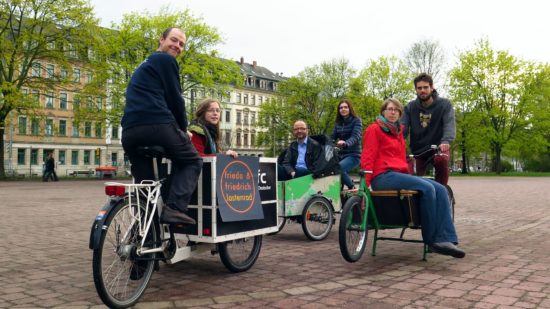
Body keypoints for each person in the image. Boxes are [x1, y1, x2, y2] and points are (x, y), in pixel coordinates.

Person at [361, 98, 465, 258]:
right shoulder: (374, 129)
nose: (393, 112)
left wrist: (408, 172)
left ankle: (446, 238)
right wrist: (365, 184)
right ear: (383, 111)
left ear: (400, 114)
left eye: (396, 110)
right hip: (382, 176)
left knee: (440, 188)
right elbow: (368, 156)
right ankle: (432, 240)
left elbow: (401, 159)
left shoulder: (398, 132)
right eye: (389, 109)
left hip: (397, 175)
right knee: (428, 188)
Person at [121, 27, 202, 225]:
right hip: (156, 125)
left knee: (145, 190)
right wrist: (183, 130)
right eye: (174, 40)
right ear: (161, 39)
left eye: (181, 44)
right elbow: (175, 99)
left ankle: (145, 242)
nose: (177, 46)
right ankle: (174, 208)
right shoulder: (165, 60)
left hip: (130, 132)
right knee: (192, 161)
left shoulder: (144, 65)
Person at [401, 73, 455, 185]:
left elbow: (449, 125)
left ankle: (442, 190)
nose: (423, 90)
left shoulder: (444, 105)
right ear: (416, 89)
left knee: (442, 160)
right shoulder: (410, 107)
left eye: (425, 87)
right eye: (419, 88)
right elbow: (403, 128)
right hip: (418, 150)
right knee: (409, 174)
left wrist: (446, 141)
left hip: (438, 148)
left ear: (432, 87)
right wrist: (395, 140)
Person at [331, 99, 362, 190]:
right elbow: (332, 137)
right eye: (341, 108)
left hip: (353, 155)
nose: (343, 109)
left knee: (339, 168)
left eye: (345, 107)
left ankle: (352, 187)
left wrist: (346, 143)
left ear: (350, 109)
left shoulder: (356, 121)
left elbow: (355, 137)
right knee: (330, 169)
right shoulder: (338, 123)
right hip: (341, 155)